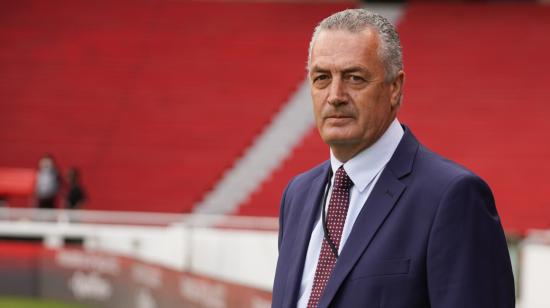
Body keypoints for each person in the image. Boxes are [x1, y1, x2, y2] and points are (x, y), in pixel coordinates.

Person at [271, 9, 514, 308]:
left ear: (394, 88)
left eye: (354, 78)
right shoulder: (297, 195)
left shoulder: (453, 197)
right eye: (322, 78)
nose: (335, 94)